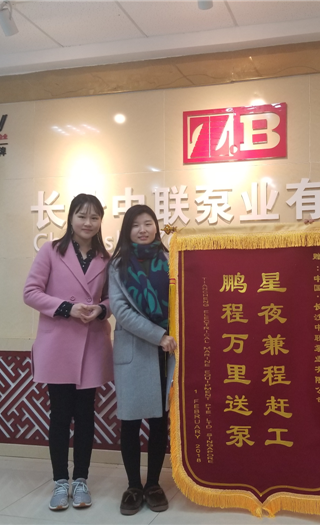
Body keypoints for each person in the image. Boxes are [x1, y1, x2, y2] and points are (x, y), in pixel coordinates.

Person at [23, 193, 113, 511]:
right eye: (82, 216)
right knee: (60, 415)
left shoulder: (106, 257)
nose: (88, 223)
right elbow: (30, 292)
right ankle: (61, 481)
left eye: (94, 217)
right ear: (71, 218)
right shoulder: (50, 251)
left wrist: (100, 310)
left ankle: (82, 480)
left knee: (86, 416)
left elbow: (113, 298)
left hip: (92, 345)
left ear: (101, 221)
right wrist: (67, 308)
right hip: (58, 345)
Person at [108, 204, 177, 516]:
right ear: (127, 230)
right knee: (131, 421)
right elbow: (120, 310)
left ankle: (153, 484)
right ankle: (133, 486)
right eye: (136, 225)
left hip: (165, 352)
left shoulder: (170, 259)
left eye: (148, 223)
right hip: (137, 349)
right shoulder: (118, 264)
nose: (143, 229)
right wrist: (158, 335)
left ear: (156, 227)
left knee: (159, 420)